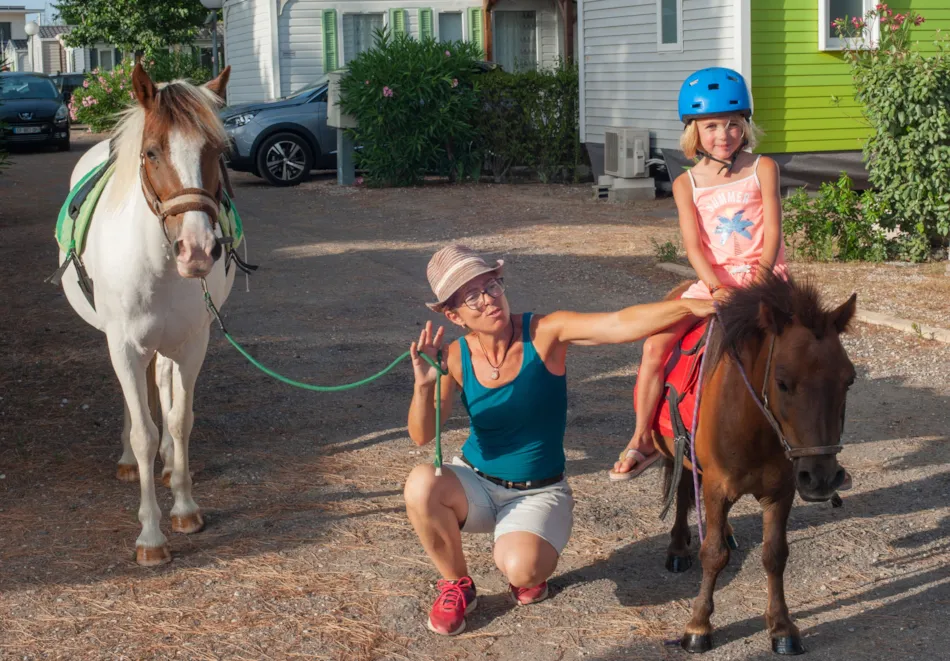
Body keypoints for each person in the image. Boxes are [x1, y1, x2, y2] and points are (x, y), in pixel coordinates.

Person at [404, 244, 715, 636]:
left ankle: (527, 560)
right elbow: (421, 435)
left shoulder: (544, 332)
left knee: (521, 568)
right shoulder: (453, 356)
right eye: (472, 296)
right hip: (477, 484)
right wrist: (424, 386)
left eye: (492, 285)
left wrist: (689, 306)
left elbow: (618, 324)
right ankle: (457, 585)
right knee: (421, 482)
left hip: (537, 492)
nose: (489, 300)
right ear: (453, 314)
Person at [608, 67, 851, 492]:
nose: (724, 134)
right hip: (715, 284)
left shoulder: (764, 168)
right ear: (694, 132)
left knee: (816, 358)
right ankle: (642, 437)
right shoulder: (686, 183)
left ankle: (820, 445)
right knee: (655, 348)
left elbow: (773, 231)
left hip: (768, 283)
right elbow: (695, 246)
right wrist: (715, 286)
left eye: (733, 124)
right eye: (712, 126)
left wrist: (759, 281)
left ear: (746, 126)